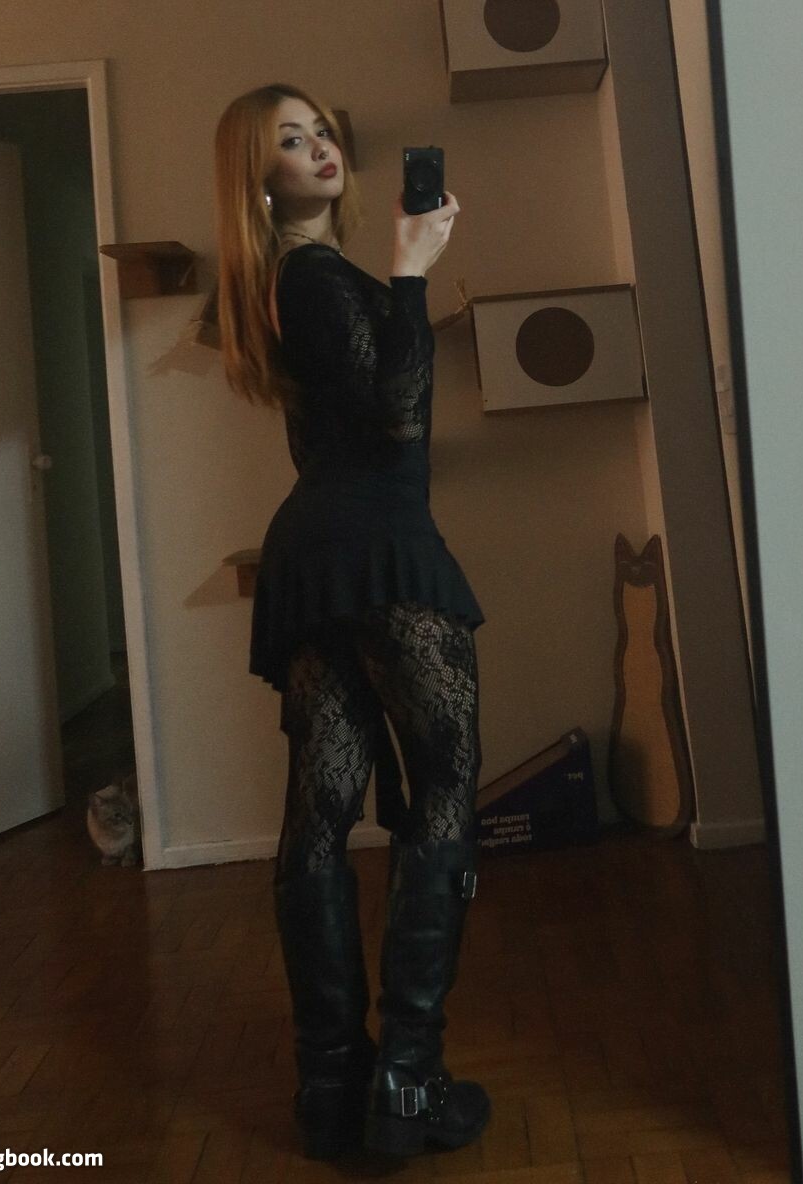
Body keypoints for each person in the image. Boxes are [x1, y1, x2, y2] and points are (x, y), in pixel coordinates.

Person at [213, 82, 491, 1160]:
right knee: (446, 779)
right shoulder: (315, 276)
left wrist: (405, 278)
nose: (320, 147)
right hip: (376, 546)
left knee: (322, 810)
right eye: (291, 140)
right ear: (260, 177)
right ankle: (408, 1081)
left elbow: (364, 405)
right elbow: (398, 413)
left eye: (322, 129)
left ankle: (331, 1086)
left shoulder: (288, 282)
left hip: (317, 553)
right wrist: (411, 269)